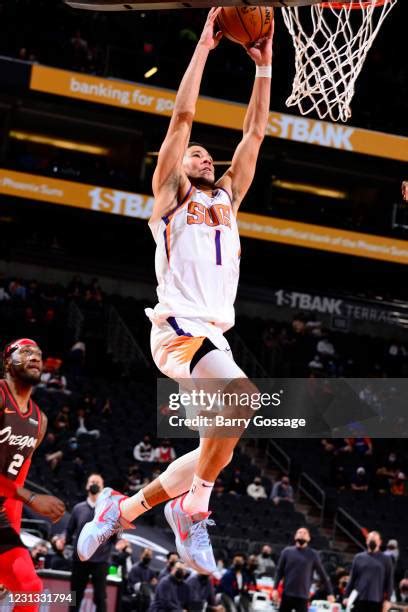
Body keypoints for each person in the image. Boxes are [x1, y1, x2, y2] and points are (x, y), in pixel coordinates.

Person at [77, 7, 274, 576]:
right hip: (178, 329)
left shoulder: (228, 199)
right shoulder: (169, 198)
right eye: (196, 155)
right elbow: (182, 117)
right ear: (177, 168)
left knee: (220, 438)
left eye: (209, 155)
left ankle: (125, 506)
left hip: (214, 335)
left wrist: (263, 67)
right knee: (243, 402)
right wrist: (204, 51)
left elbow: (255, 132)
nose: (205, 156)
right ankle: (194, 510)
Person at [0, 338, 65, 610]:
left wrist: (12, 534)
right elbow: (23, 492)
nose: (35, 357)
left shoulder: (39, 421)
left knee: (29, 587)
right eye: (25, 351)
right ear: (6, 362)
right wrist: (30, 497)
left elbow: (16, 483)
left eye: (38, 353)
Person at [65, 474, 116, 612]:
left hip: (100, 561)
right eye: (92, 481)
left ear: (103, 487)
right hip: (79, 560)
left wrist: (120, 542)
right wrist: (62, 540)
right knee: (75, 596)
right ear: (87, 485)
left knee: (100, 597)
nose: (94, 484)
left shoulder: (109, 510)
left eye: (98, 482)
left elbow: (115, 535)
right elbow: (69, 532)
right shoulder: (78, 508)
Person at [274, 528, 334, 612]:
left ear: (309, 538)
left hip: (303, 596)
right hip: (287, 595)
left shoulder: (313, 554)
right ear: (295, 536)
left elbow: (323, 575)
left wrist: (330, 593)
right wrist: (275, 589)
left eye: (305, 533)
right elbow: (279, 572)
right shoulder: (287, 552)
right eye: (299, 532)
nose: (302, 534)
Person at [344, 531, 393, 612]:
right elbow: (352, 578)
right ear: (366, 541)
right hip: (358, 599)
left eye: (375, 540)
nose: (372, 542)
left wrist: (388, 600)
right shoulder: (358, 557)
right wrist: (346, 596)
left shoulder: (386, 559)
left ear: (380, 542)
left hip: (376, 600)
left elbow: (389, 580)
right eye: (371, 540)